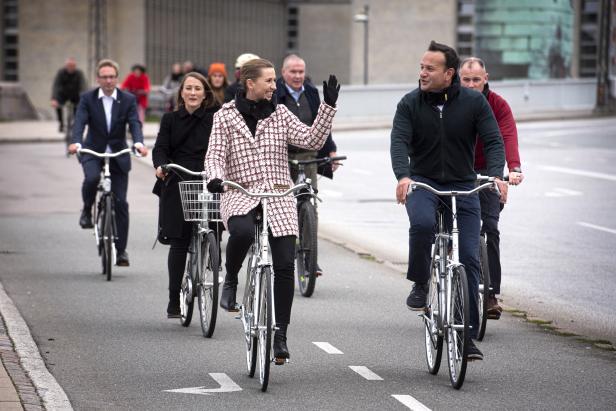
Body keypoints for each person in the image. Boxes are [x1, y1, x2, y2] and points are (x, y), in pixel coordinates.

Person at [204, 58, 339, 361]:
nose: (274, 86)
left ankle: (280, 335)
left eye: (275, 81)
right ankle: (231, 279)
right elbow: (214, 156)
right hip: (240, 191)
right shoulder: (225, 116)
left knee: (283, 265)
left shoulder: (280, 114)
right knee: (239, 233)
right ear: (250, 83)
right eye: (269, 81)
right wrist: (214, 178)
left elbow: (311, 140)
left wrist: (327, 107)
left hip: (279, 193)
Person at [390, 41, 506, 361]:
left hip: (464, 183)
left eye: (430, 68)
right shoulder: (409, 104)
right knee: (424, 224)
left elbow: (494, 141)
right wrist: (403, 176)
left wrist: (496, 175)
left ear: (448, 74)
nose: (423, 73)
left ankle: (466, 337)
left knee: (469, 258)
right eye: (421, 67)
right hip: (424, 181)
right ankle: (420, 283)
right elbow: (399, 141)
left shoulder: (472, 103)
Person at [459, 57, 524, 319]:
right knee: (447, 228)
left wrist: (513, 169)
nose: (472, 84)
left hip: (489, 173)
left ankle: (490, 294)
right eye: (467, 80)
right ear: (458, 79)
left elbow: (507, 135)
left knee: (491, 229)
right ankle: (440, 277)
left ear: (486, 78)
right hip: (457, 170)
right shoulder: (450, 101)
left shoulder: (498, 104)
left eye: (477, 79)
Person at [152, 72, 220, 318]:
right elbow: (160, 147)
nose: (192, 93)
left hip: (208, 177)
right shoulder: (170, 119)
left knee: (216, 225)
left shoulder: (215, 118)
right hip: (180, 177)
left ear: (205, 94)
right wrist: (160, 165)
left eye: (197, 89)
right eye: (188, 88)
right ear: (181, 92)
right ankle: (173, 300)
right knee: (179, 241)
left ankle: (213, 260)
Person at [68, 59, 148, 267]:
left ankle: (121, 252)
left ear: (117, 78)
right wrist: (76, 142)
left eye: (112, 76)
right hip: (93, 150)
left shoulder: (128, 99)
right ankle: (87, 210)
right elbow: (79, 122)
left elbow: (134, 123)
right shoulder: (87, 99)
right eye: (104, 77)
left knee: (121, 202)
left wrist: (138, 142)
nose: (108, 80)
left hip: (118, 153)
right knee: (92, 178)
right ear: (98, 79)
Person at [275, 54, 339, 276]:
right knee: (283, 202)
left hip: (309, 155)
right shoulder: (275, 93)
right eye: (293, 71)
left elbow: (323, 124)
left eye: (301, 71)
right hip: (282, 156)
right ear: (283, 73)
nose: (297, 76)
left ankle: (311, 259)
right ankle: (284, 251)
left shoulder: (311, 92)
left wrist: (330, 150)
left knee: (310, 201)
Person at [51, 57, 87, 132]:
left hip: (75, 95)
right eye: (69, 66)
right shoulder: (61, 73)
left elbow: (83, 86)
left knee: (78, 107)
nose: (70, 68)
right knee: (58, 105)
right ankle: (61, 123)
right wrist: (54, 99)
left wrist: (84, 99)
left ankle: (75, 122)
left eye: (72, 66)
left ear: (75, 66)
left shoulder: (79, 73)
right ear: (66, 66)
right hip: (63, 95)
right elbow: (56, 86)